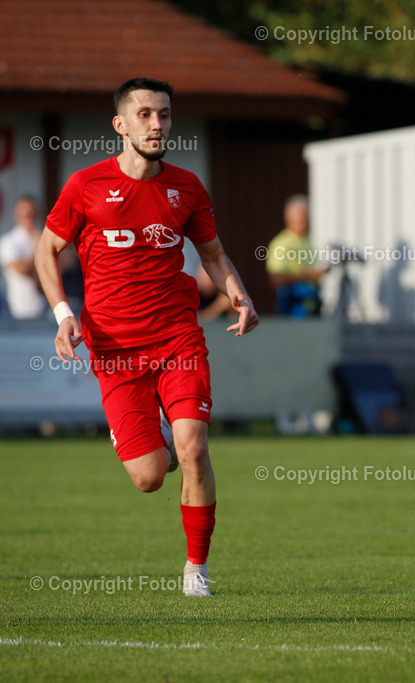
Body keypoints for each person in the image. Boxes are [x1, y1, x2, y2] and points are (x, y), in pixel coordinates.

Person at [34, 78, 258, 597]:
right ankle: (154, 441)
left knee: (195, 448)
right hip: (114, 351)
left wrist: (240, 295)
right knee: (150, 477)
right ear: (121, 124)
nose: (157, 125)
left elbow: (213, 254)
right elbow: (47, 251)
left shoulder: (187, 187)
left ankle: (196, 571)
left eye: (164, 115)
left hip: (178, 337)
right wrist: (63, 314)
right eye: (144, 115)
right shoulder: (85, 186)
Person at [266, 195, 324, 318]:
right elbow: (276, 279)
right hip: (292, 305)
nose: (304, 219)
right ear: (288, 218)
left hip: (311, 303)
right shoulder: (281, 244)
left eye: (305, 216)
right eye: (300, 216)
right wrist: (307, 275)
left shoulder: (307, 241)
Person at [0, 196, 47, 320]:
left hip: (46, 307)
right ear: (17, 215)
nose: (30, 218)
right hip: (17, 309)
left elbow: (65, 263)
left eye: (33, 214)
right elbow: (21, 269)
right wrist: (39, 249)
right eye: (26, 214)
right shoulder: (9, 241)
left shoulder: (43, 236)